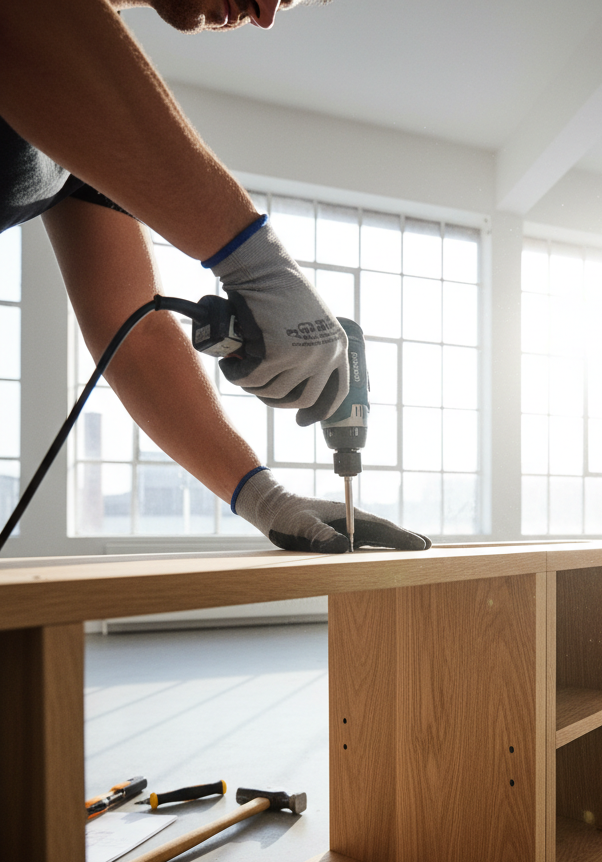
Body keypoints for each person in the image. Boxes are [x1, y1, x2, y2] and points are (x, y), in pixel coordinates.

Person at [0, 0, 430, 553]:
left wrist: (265, 498)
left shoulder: (99, 98)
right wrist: (257, 261)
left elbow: (136, 335)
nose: (269, 13)